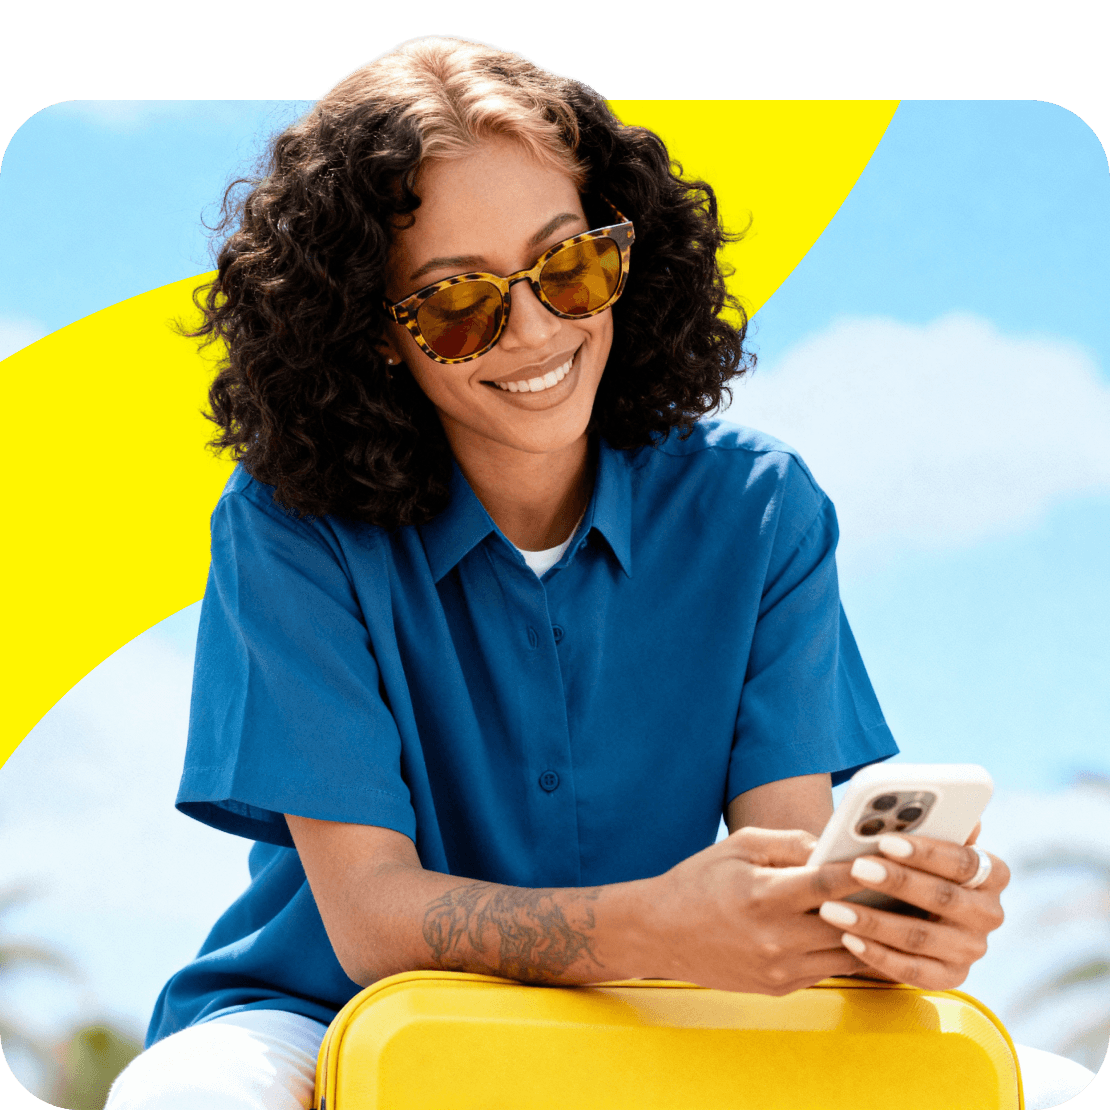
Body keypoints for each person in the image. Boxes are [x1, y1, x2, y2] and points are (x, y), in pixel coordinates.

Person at [105, 36, 1096, 1110]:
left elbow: (783, 865)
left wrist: (879, 927)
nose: (537, 331)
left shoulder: (760, 511)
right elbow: (373, 923)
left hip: (665, 1008)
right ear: (376, 334)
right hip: (320, 1017)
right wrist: (655, 924)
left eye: (570, 264)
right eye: (454, 302)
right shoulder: (290, 528)